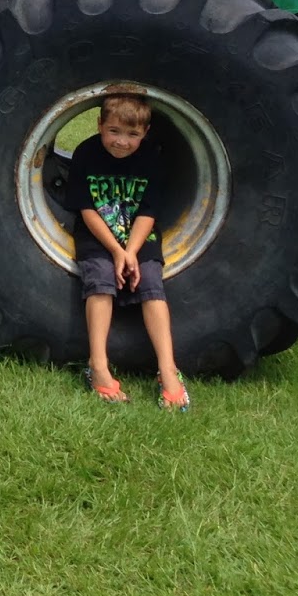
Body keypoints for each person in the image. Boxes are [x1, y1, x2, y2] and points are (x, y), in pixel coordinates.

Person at [64, 91, 191, 410]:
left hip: (138, 235)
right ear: (99, 125)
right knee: (100, 281)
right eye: (114, 131)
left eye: (132, 134)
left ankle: (167, 370)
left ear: (145, 132)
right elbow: (86, 208)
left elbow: (148, 211)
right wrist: (116, 251)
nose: (121, 142)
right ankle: (98, 365)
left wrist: (131, 251)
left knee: (152, 284)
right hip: (97, 233)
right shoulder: (85, 153)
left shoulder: (151, 158)